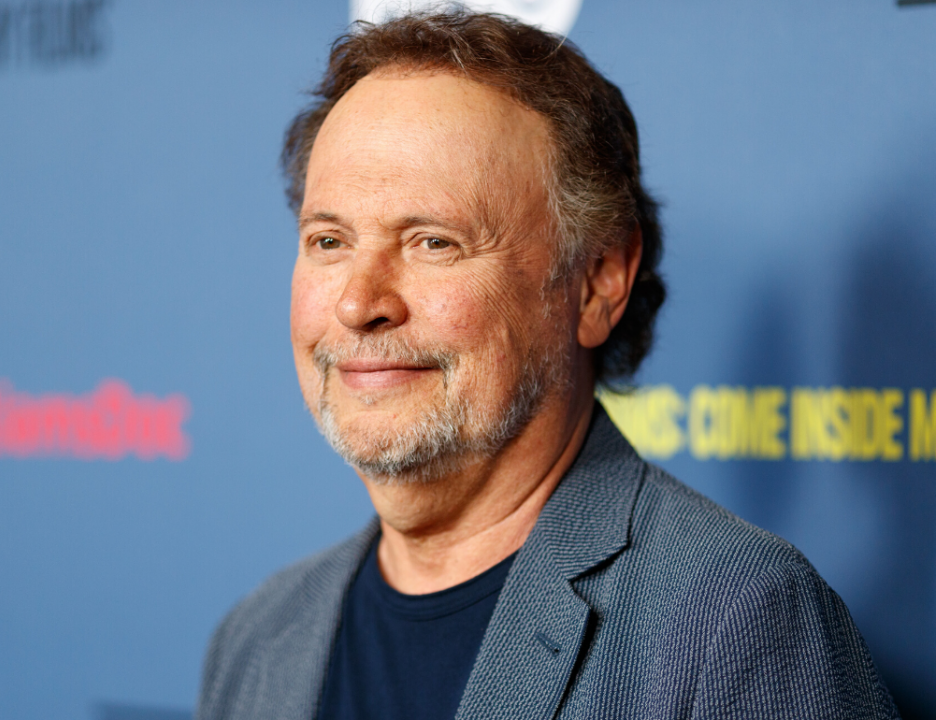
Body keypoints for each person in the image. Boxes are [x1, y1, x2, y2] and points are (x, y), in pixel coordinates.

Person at [197, 11, 898, 720]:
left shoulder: (737, 621)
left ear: (597, 283)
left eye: (433, 242)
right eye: (328, 241)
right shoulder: (257, 640)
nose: (358, 303)